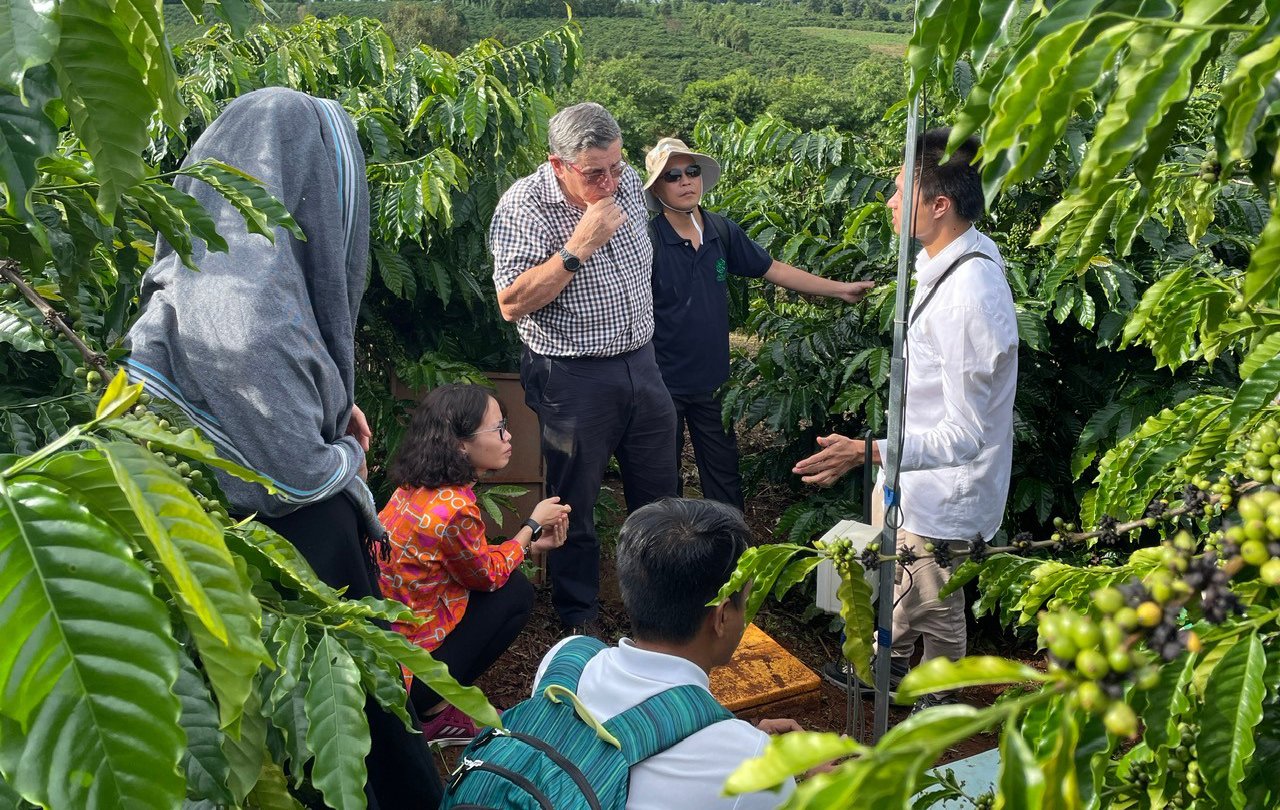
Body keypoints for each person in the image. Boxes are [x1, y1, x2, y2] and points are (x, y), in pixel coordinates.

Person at [124, 87, 445, 808]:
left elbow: (245, 401)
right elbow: (295, 471)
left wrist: (325, 406)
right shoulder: (247, 310)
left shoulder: (208, 265)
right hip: (296, 547)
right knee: (353, 745)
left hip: (223, 540)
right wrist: (347, 458)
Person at [791, 127, 1019, 704]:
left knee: (935, 600)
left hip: (946, 485)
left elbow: (965, 434)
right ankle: (884, 666)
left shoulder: (970, 292)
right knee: (893, 573)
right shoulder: (943, 256)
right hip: (910, 469)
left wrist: (864, 451)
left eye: (901, 191)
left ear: (939, 206)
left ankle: (939, 698)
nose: (891, 202)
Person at [489, 102, 679, 635]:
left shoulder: (626, 181)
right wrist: (578, 247)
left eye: (617, 167)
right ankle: (578, 618)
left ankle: (662, 608)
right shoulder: (524, 208)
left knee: (660, 491)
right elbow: (511, 303)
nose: (611, 180)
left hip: (642, 363)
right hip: (572, 376)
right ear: (558, 165)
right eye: (595, 172)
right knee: (575, 502)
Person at [643, 138, 874, 510]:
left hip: (713, 381)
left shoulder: (719, 230)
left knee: (723, 473)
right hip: (661, 380)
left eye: (692, 171)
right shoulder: (649, 239)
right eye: (672, 175)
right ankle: (666, 557)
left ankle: (732, 553)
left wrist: (840, 290)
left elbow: (772, 269)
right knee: (663, 477)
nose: (685, 181)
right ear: (658, 187)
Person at [378, 383, 571, 745]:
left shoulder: (411, 486)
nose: (509, 436)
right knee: (515, 594)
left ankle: (431, 704)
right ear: (460, 443)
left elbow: (470, 564)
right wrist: (531, 526)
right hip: (409, 675)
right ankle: (432, 711)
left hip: (387, 648)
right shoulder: (454, 509)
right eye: (499, 429)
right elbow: (488, 576)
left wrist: (526, 547)